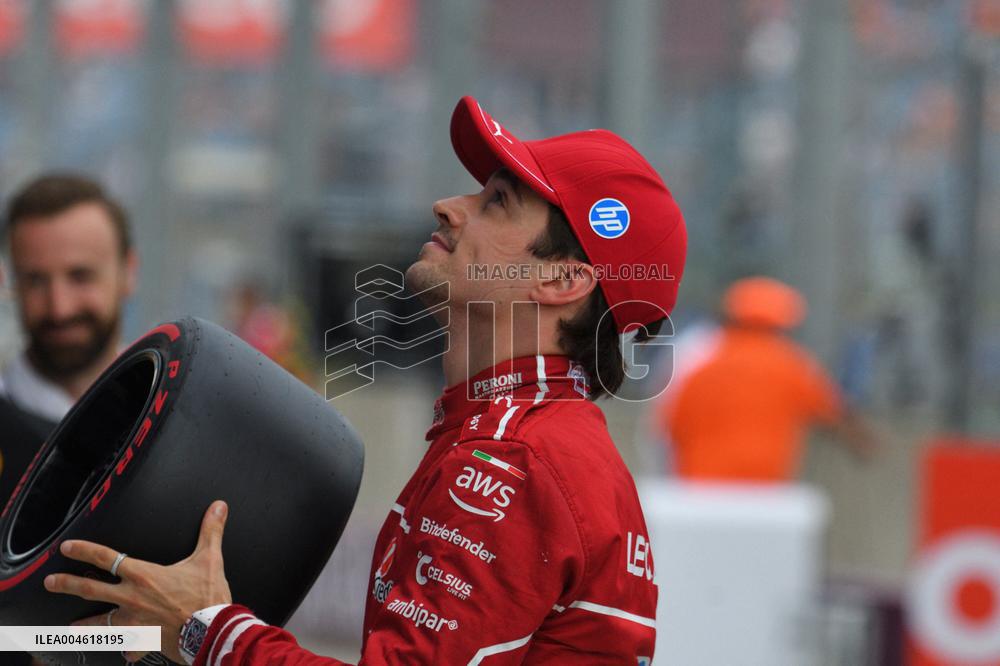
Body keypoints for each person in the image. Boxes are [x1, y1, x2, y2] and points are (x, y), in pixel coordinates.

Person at [44, 96, 688, 664]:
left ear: (563, 279)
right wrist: (59, 643)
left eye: (496, 201)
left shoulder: (511, 461)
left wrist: (208, 632)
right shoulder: (527, 439)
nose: (448, 205)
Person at [659, 276, 874, 482]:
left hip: (699, 485)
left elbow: (667, 425)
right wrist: (864, 443)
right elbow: (835, 414)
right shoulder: (792, 364)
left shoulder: (698, 355)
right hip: (765, 488)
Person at [0, 173, 138, 425]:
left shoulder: (171, 416)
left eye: (80, 276)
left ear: (128, 272)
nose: (59, 308)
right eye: (35, 281)